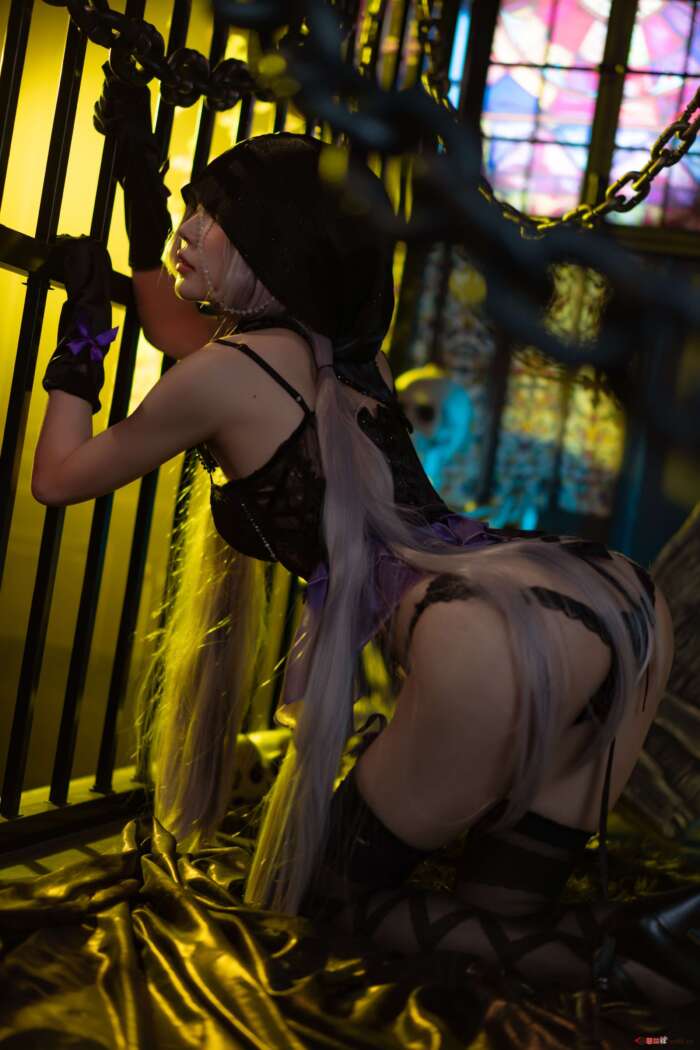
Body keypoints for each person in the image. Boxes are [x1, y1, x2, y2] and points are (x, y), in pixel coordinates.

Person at [33, 67, 700, 1022]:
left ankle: (624, 952)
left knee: (324, 902)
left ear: (272, 249)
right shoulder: (345, 351)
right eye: (186, 213)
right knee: (499, 916)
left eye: (206, 219)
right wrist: (141, 187)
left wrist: (78, 345)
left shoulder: (227, 374)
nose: (184, 234)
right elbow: (177, 321)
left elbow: (60, 479)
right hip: (605, 599)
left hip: (479, 633)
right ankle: (651, 942)